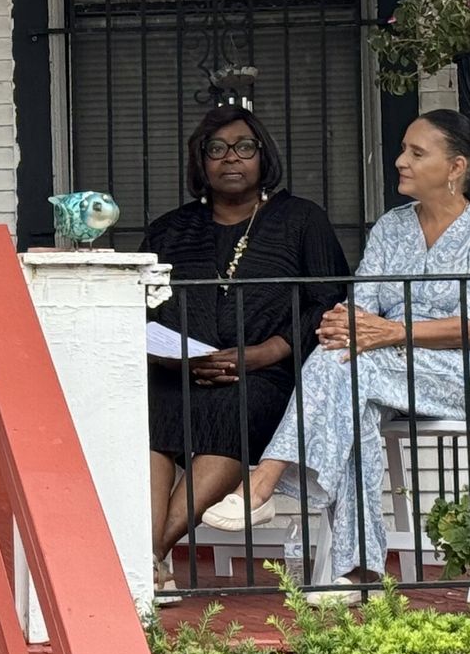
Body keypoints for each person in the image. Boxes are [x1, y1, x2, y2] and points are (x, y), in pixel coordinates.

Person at [199, 109, 470, 598]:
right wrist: (339, 323)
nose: (400, 161)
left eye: (416, 152)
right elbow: (361, 306)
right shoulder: (393, 227)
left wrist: (386, 331)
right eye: (403, 150)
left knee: (350, 367)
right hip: (385, 373)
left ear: (456, 167)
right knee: (347, 381)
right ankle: (360, 572)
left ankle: (265, 479)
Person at [143, 105, 349, 590]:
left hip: (264, 374)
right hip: (179, 371)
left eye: (243, 147)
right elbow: (145, 306)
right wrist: (176, 358)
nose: (230, 158)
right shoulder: (171, 230)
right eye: (215, 149)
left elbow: (329, 301)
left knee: (237, 406)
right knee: (148, 408)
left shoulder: (300, 220)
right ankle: (149, 563)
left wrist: (264, 352)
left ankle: (148, 554)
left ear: (263, 156)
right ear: (200, 162)